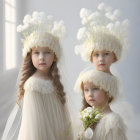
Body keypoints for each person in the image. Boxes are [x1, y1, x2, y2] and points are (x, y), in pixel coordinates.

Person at [2, 11, 73, 140]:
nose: (42, 57)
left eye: (47, 53)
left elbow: (61, 116)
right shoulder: (33, 84)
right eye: (36, 53)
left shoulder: (54, 81)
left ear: (55, 56)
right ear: (30, 55)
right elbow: (35, 123)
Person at [75, 2, 129, 74]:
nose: (101, 59)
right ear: (91, 57)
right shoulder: (90, 80)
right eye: (96, 55)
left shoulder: (115, 80)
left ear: (115, 56)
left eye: (106, 54)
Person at [74, 69, 127, 140]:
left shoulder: (112, 122)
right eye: (86, 90)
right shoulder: (84, 117)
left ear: (107, 92)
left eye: (95, 89)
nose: (90, 94)